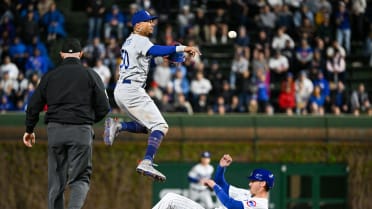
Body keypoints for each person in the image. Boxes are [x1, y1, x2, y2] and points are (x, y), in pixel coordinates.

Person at [103, 10, 201, 182]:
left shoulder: (131, 41)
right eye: (149, 21)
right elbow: (154, 49)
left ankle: (119, 126)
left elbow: (149, 57)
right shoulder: (140, 40)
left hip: (124, 90)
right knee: (161, 126)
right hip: (132, 91)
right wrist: (182, 48)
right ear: (138, 25)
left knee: (150, 127)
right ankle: (147, 161)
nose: (152, 24)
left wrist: (165, 57)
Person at [22, 38, 110, 209]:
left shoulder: (50, 76)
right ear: (81, 54)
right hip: (81, 131)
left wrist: (29, 129)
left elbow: (33, 106)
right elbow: (104, 107)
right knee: (80, 179)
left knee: (56, 180)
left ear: (61, 54)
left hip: (56, 131)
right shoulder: (90, 74)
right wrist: (88, 121)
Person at [152, 154, 274, 209]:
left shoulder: (260, 205)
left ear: (262, 184)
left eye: (253, 181)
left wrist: (215, 187)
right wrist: (221, 168)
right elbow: (221, 184)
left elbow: (231, 205)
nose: (250, 183)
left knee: (171, 199)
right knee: (170, 199)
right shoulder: (246, 194)